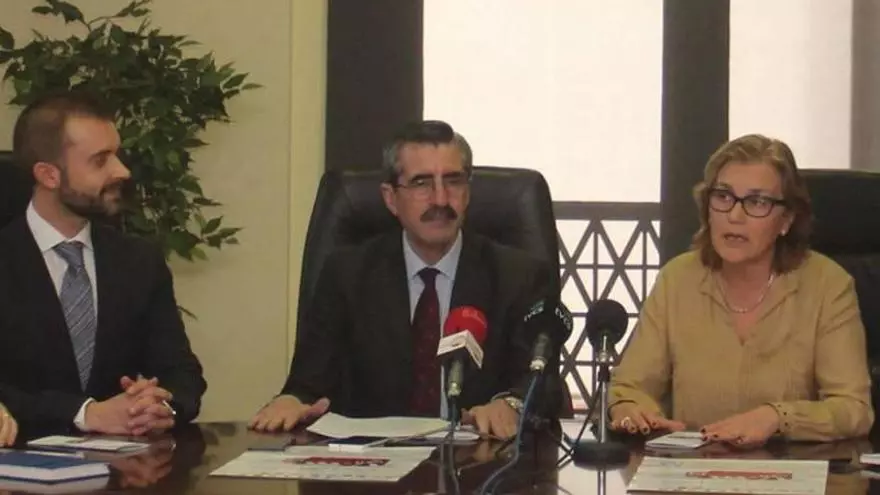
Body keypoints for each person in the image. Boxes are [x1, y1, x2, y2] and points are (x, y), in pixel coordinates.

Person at [250, 120, 564, 438]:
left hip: (478, 459)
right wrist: (291, 400)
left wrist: (511, 404)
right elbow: (308, 382)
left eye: (453, 181)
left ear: (468, 192)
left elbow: (542, 383)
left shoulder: (519, 276)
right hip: (372, 460)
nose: (440, 200)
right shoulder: (347, 274)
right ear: (390, 198)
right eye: (421, 183)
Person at [608, 134, 873, 446]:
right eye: (723, 197)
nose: (734, 216)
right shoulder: (677, 280)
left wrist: (778, 418)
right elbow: (630, 388)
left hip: (790, 470)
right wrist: (631, 410)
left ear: (786, 220)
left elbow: (853, 409)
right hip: (692, 469)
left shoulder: (828, 285)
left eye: (757, 202)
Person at [0, 91, 207, 438]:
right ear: (49, 175)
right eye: (100, 161)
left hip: (125, 464)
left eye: (117, 155)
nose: (121, 171)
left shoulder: (138, 260)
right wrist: (85, 414)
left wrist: (160, 405)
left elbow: (182, 373)